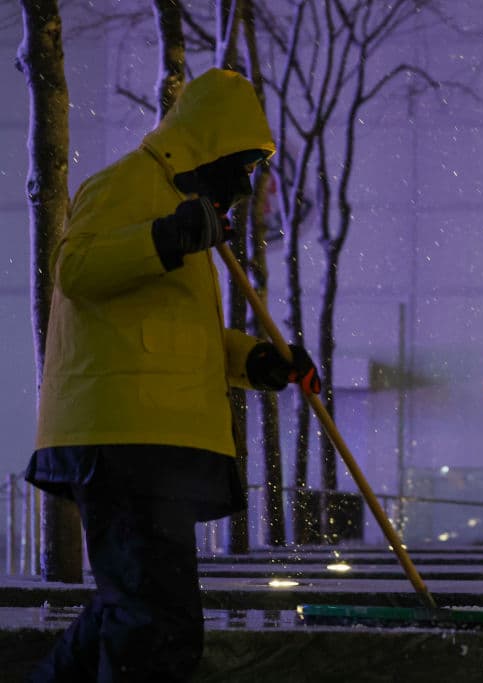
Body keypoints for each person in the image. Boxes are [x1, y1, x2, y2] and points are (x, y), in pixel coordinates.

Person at [23, 68, 321, 682]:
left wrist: (255, 360)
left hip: (151, 439)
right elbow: (74, 271)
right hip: (125, 437)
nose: (243, 185)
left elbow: (177, 339)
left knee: (135, 610)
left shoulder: (186, 217)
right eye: (240, 166)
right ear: (206, 143)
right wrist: (167, 236)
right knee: (157, 623)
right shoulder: (127, 186)